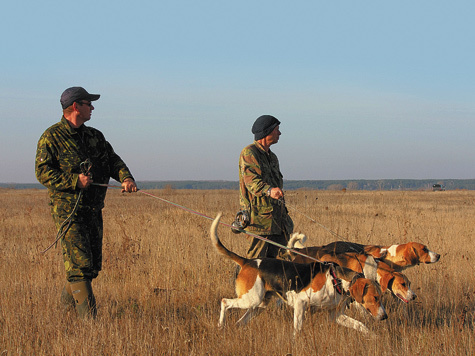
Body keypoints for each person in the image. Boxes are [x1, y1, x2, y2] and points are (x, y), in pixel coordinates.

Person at [35, 86, 138, 319]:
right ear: (75, 107)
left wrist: (126, 177)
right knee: (80, 266)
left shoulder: (95, 136)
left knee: (89, 267)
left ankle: (64, 313)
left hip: (93, 210)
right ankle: (90, 324)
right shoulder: (51, 137)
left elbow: (113, 160)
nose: (92, 107)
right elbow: (42, 172)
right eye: (88, 103)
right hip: (68, 212)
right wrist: (74, 181)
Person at [238, 115, 293, 259]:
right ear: (267, 132)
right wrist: (269, 191)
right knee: (256, 264)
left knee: (280, 265)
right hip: (259, 222)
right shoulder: (249, 152)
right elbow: (251, 181)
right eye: (276, 130)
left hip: (278, 221)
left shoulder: (273, 157)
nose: (279, 133)